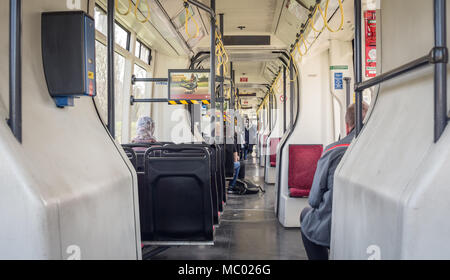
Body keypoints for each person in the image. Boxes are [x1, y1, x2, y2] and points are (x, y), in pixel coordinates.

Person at [300, 102, 369, 260]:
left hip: (336, 222)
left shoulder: (332, 150)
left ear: (347, 125)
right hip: (369, 223)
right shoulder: (380, 148)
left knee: (306, 218)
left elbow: (314, 199)